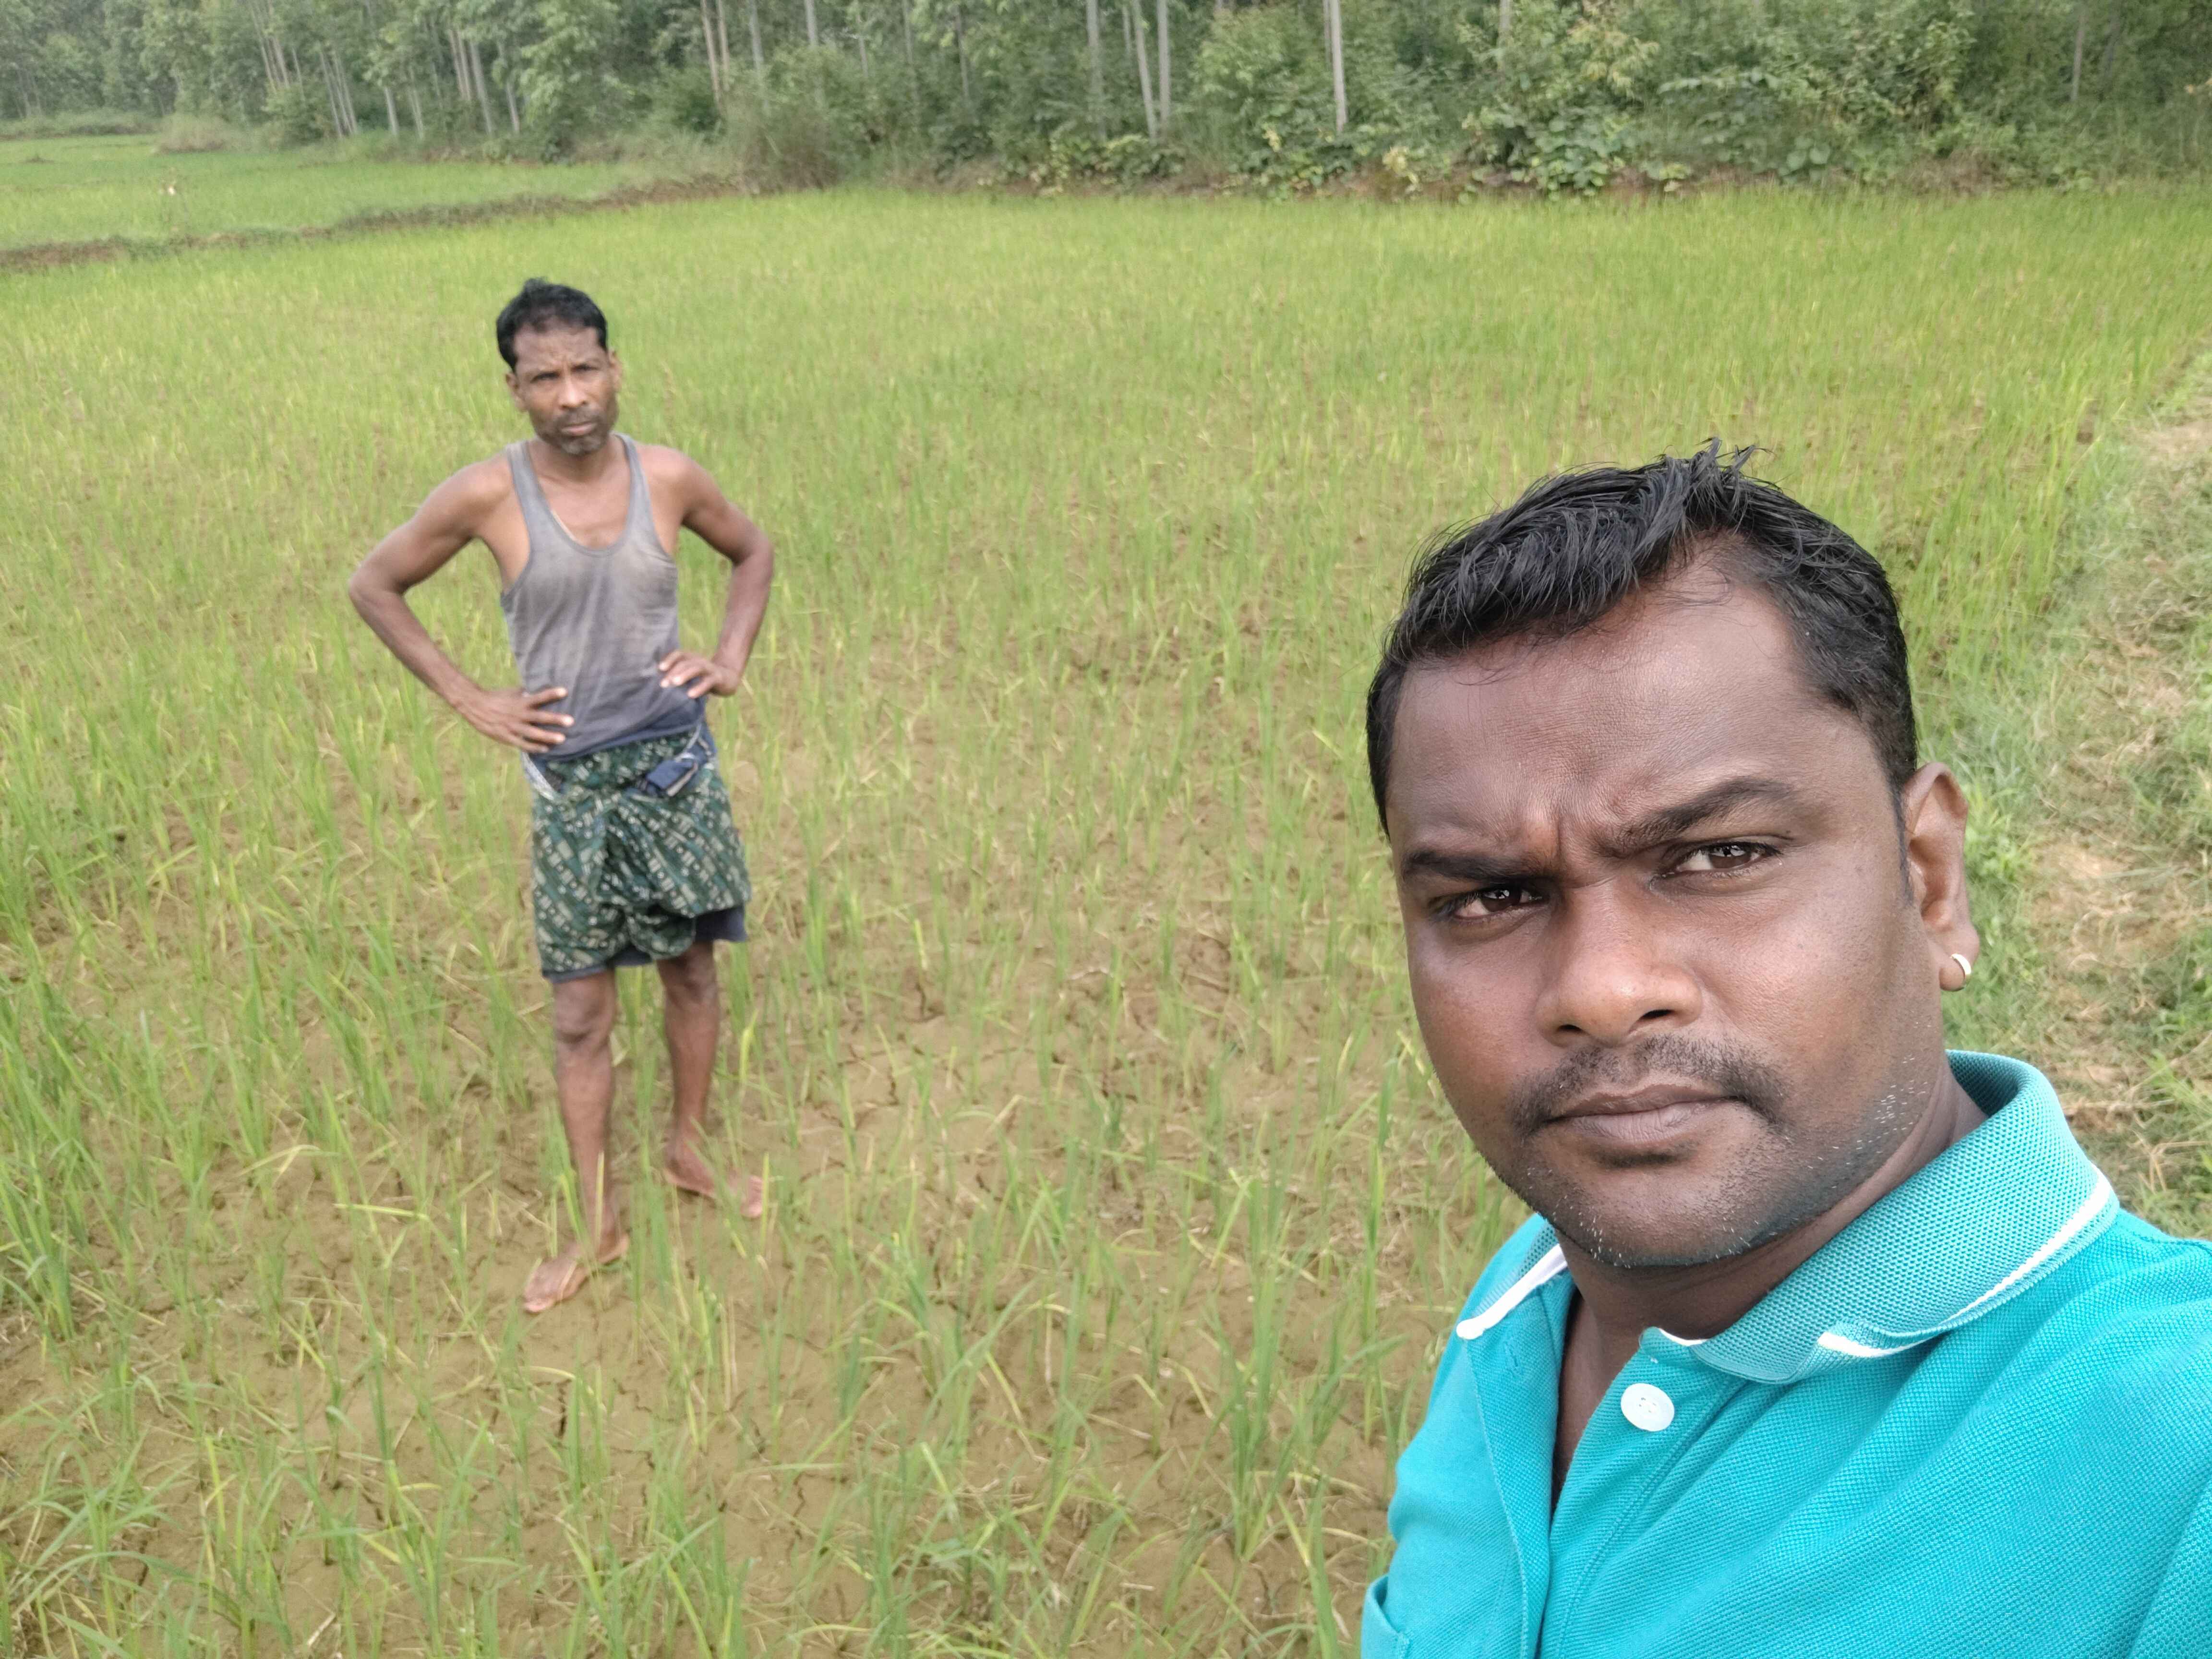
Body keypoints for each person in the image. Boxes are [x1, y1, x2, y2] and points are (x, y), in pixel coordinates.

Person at [1359, 446, 2212, 1657]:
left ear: (1930, 879)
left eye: (1722, 856)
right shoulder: (1531, 1302)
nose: (1602, 991)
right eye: (1492, 897)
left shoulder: (2176, 1466)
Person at [349, 278, 774, 1315]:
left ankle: (688, 1150)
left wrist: (727, 657)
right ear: (515, 390)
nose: (572, 394)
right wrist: (469, 697)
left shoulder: (669, 477)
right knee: (581, 1015)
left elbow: (753, 550)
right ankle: (597, 1223)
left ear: (615, 368)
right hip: (572, 786)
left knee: (691, 972)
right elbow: (374, 584)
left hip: (675, 770)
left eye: (587, 369)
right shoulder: (486, 497)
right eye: (545, 378)